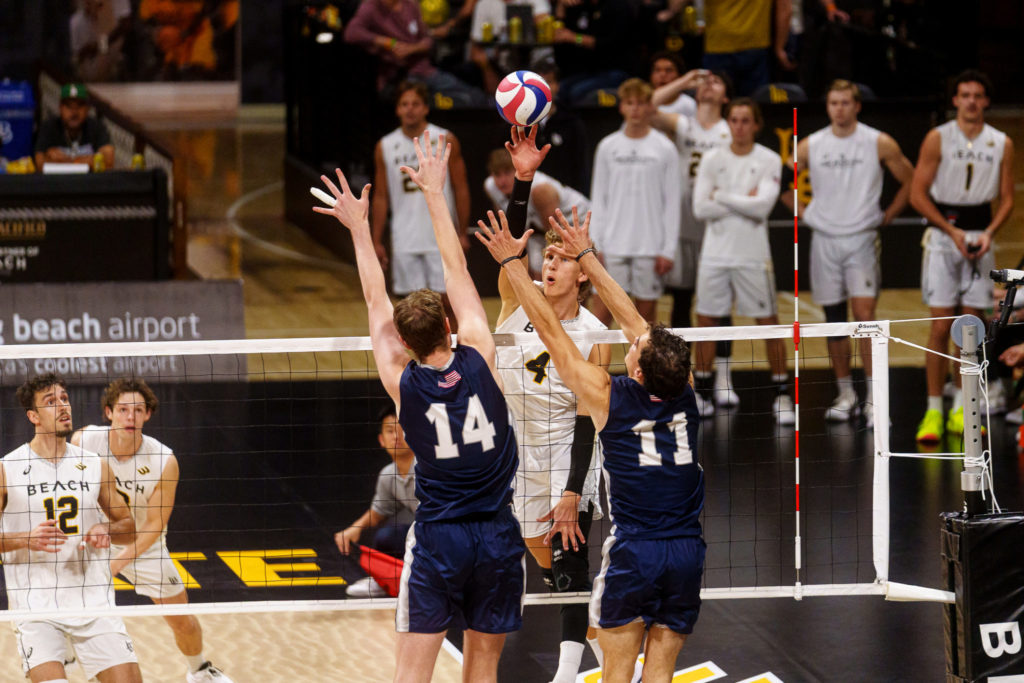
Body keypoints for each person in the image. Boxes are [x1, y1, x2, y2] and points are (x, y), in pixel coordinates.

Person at [313, 131, 524, 683]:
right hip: (498, 533)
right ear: (450, 328)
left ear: (406, 344)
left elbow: (375, 301)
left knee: (413, 674)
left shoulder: (402, 381)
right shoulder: (480, 352)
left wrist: (360, 229)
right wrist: (435, 192)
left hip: (439, 538)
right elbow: (458, 273)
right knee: (483, 669)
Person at [476, 205, 704, 683]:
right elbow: (638, 327)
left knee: (615, 674)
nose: (633, 341)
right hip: (686, 551)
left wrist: (515, 265)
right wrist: (586, 254)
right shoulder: (687, 396)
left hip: (635, 551)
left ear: (639, 372)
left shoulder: (609, 398)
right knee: (659, 672)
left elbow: (557, 337)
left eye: (636, 350)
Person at [488, 126, 609, 683]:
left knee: (567, 564)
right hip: (519, 459)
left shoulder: (593, 332)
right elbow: (511, 244)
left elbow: (589, 418)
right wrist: (524, 179)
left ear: (583, 274)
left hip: (568, 455)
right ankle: (611, 644)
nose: (549, 262)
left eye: (561, 257)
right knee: (552, 570)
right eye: (547, 256)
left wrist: (571, 490)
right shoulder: (520, 302)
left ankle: (567, 676)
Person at [71, 378, 232, 683]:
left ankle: (199, 670)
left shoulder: (164, 460)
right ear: (109, 413)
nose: (130, 417)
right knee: (69, 614)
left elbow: (154, 527)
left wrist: (119, 562)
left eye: (138, 410)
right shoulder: (83, 442)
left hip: (145, 547)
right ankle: (72, 669)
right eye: (123, 410)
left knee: (182, 621)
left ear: (148, 415)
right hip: (94, 542)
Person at [1, 373, 140, 683]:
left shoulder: (94, 464)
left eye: (64, 398)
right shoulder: (7, 469)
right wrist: (26, 539)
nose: (63, 406)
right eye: (51, 402)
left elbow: (129, 528)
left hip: (92, 601)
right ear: (33, 416)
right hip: (35, 609)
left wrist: (107, 529)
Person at [790, 79, 913, 425]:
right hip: (825, 239)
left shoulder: (878, 142)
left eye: (846, 102)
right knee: (834, 322)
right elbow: (779, 179)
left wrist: (887, 216)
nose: (839, 108)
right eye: (834, 103)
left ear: (857, 106)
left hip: (861, 239)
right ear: (827, 107)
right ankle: (845, 394)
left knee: (865, 316)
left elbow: (911, 179)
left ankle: (875, 399)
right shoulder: (810, 145)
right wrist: (805, 210)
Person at [912, 70, 1015, 444]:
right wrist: (951, 231)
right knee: (940, 327)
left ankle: (962, 408)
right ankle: (933, 410)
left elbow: (1007, 199)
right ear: (955, 100)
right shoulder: (937, 137)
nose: (971, 101)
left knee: (971, 331)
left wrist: (988, 233)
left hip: (980, 238)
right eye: (964, 95)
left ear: (986, 101)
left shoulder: (1001, 142)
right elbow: (917, 194)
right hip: (943, 237)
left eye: (977, 95)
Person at [692, 97, 793, 424]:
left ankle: (782, 395)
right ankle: (703, 391)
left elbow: (763, 207)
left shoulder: (768, 159)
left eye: (745, 120)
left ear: (757, 124)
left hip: (753, 256)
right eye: (734, 120)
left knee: (768, 323)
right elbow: (699, 209)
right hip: (715, 255)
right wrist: (741, 201)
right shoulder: (711, 159)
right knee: (706, 322)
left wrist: (719, 195)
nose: (739, 127)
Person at [651, 69, 737, 413]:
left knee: (718, 306)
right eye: (705, 81)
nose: (708, 84)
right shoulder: (684, 125)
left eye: (717, 82)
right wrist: (685, 81)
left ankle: (723, 377)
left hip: (718, 229)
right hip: (683, 227)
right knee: (683, 303)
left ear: (726, 97)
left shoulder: (729, 130)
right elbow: (649, 103)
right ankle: (688, 378)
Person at [589, 78, 681, 325]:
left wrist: (667, 249)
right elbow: (599, 199)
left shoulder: (665, 148)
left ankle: (644, 365)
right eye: (630, 103)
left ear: (651, 106)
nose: (635, 109)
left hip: (650, 247)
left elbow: (672, 201)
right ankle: (593, 366)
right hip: (612, 246)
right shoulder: (608, 147)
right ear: (622, 107)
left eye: (641, 103)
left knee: (645, 319)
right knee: (601, 317)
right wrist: (595, 245)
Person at [372, 81, 471, 305]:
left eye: (415, 104)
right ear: (397, 109)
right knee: (412, 309)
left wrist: (462, 232)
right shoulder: (385, 146)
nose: (410, 109)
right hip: (404, 238)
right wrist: (376, 240)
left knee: (449, 304)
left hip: (440, 237)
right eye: (404, 104)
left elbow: (461, 187)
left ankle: (454, 342)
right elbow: (380, 196)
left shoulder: (445, 139)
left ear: (426, 108)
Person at [334, 404, 417, 598]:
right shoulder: (389, 475)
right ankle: (384, 580)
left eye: (402, 429)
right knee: (386, 537)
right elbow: (380, 511)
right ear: (381, 439)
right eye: (390, 431)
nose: (396, 436)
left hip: (448, 533)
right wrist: (355, 528)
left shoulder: (430, 468)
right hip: (424, 534)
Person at [343, 0, 487, 106]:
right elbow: (351, 33)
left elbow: (428, 40)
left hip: (425, 70)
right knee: (416, 103)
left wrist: (411, 49)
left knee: (476, 97)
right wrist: (388, 43)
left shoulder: (410, 4)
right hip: (399, 76)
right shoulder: (371, 6)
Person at [483, 145, 590, 278]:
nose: (502, 181)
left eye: (507, 172)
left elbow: (553, 234)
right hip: (537, 226)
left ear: (518, 169)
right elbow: (509, 224)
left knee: (581, 271)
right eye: (497, 174)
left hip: (578, 220)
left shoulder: (540, 190)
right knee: (537, 272)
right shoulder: (491, 186)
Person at [701, 0, 792, 96]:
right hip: (755, 46)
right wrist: (780, 47)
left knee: (717, 102)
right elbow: (785, 9)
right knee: (756, 104)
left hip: (718, 44)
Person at [530, 57, 591, 194]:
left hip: (565, 198)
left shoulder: (572, 124)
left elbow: (581, 169)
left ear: (557, 85)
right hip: (528, 199)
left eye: (549, 82)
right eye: (539, 83)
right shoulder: (517, 124)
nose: (544, 88)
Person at [34, 83, 114, 172]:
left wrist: (67, 160)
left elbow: (108, 161)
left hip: (90, 183)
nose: (74, 112)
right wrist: (89, 160)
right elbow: (39, 164)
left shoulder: (96, 127)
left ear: (87, 109)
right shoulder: (49, 127)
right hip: (57, 183)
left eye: (79, 106)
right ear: (60, 108)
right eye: (68, 106)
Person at [649, 51, 696, 118]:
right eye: (657, 70)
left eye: (669, 70)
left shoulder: (690, 104)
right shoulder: (640, 102)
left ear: (680, 77)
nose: (662, 75)